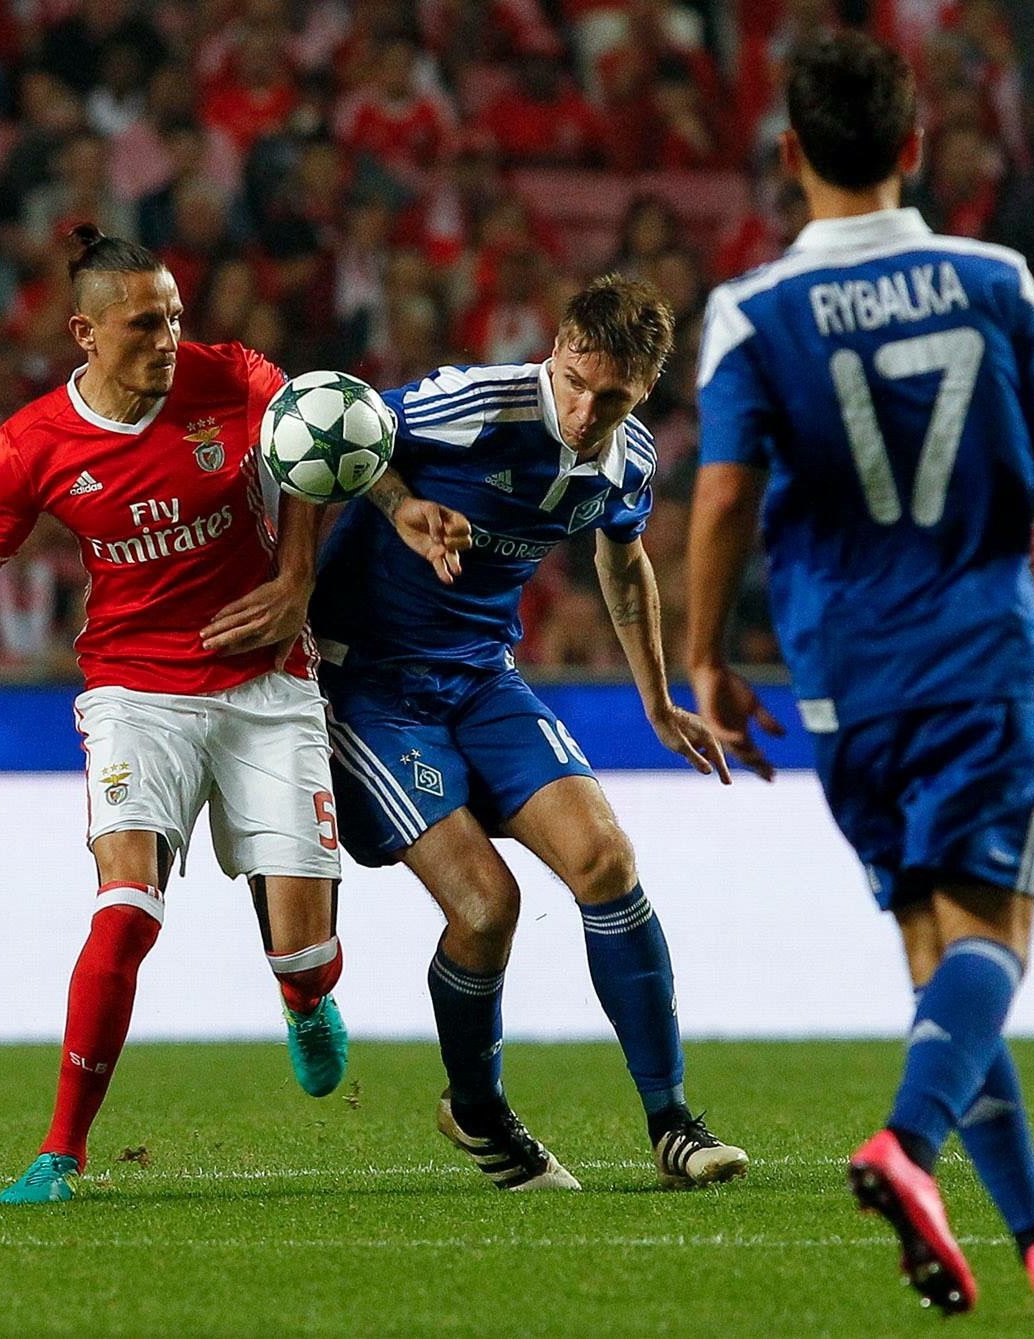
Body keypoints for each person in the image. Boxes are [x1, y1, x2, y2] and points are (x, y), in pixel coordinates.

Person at [684, 34, 1034, 1317]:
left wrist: (707, 656)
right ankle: (906, 1146)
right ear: (915, 146)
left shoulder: (751, 311)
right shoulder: (993, 278)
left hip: (843, 678)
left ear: (788, 156)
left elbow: (720, 495)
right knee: (997, 945)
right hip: (977, 652)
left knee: (940, 964)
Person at [0, 226, 356, 1206]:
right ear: (86, 331)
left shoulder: (231, 376)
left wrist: (295, 575)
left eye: (176, 317)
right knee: (125, 907)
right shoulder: (32, 446)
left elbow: (321, 438)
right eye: (144, 322)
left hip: (267, 681)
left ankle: (300, 995)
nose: (168, 337)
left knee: (308, 952)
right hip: (134, 691)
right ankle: (60, 1151)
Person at [308, 274, 748, 1192]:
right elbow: (333, 429)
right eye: (579, 383)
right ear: (556, 349)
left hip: (482, 679)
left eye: (615, 398)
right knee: (487, 905)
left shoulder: (625, 459)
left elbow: (623, 570)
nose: (589, 412)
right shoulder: (472, 404)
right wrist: (399, 507)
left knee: (607, 860)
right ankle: (476, 1107)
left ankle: (671, 1123)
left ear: (645, 391)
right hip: (371, 687)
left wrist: (659, 703)